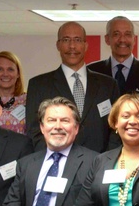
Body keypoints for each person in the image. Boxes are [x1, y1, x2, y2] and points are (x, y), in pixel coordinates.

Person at [26, 22, 120, 152]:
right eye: (66, 40)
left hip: (100, 163)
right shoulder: (39, 85)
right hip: (58, 163)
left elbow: (116, 127)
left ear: (85, 45)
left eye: (77, 40)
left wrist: (109, 158)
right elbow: (34, 131)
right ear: (58, 45)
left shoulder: (108, 85)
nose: (72, 46)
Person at [88, 16, 139, 95]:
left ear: (134, 39)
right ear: (107, 39)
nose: (122, 40)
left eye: (127, 34)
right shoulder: (92, 71)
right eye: (116, 34)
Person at [0, 51, 27, 134]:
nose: (5, 74)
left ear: (18, 73)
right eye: (0, 69)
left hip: (23, 147)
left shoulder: (29, 100)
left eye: (10, 69)